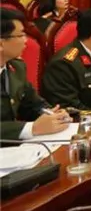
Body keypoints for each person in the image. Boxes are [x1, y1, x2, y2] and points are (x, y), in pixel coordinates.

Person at [1, 9, 71, 141]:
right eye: (21, 35)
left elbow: (32, 104)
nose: (26, 41)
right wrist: (32, 128)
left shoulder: (17, 67)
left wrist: (51, 114)